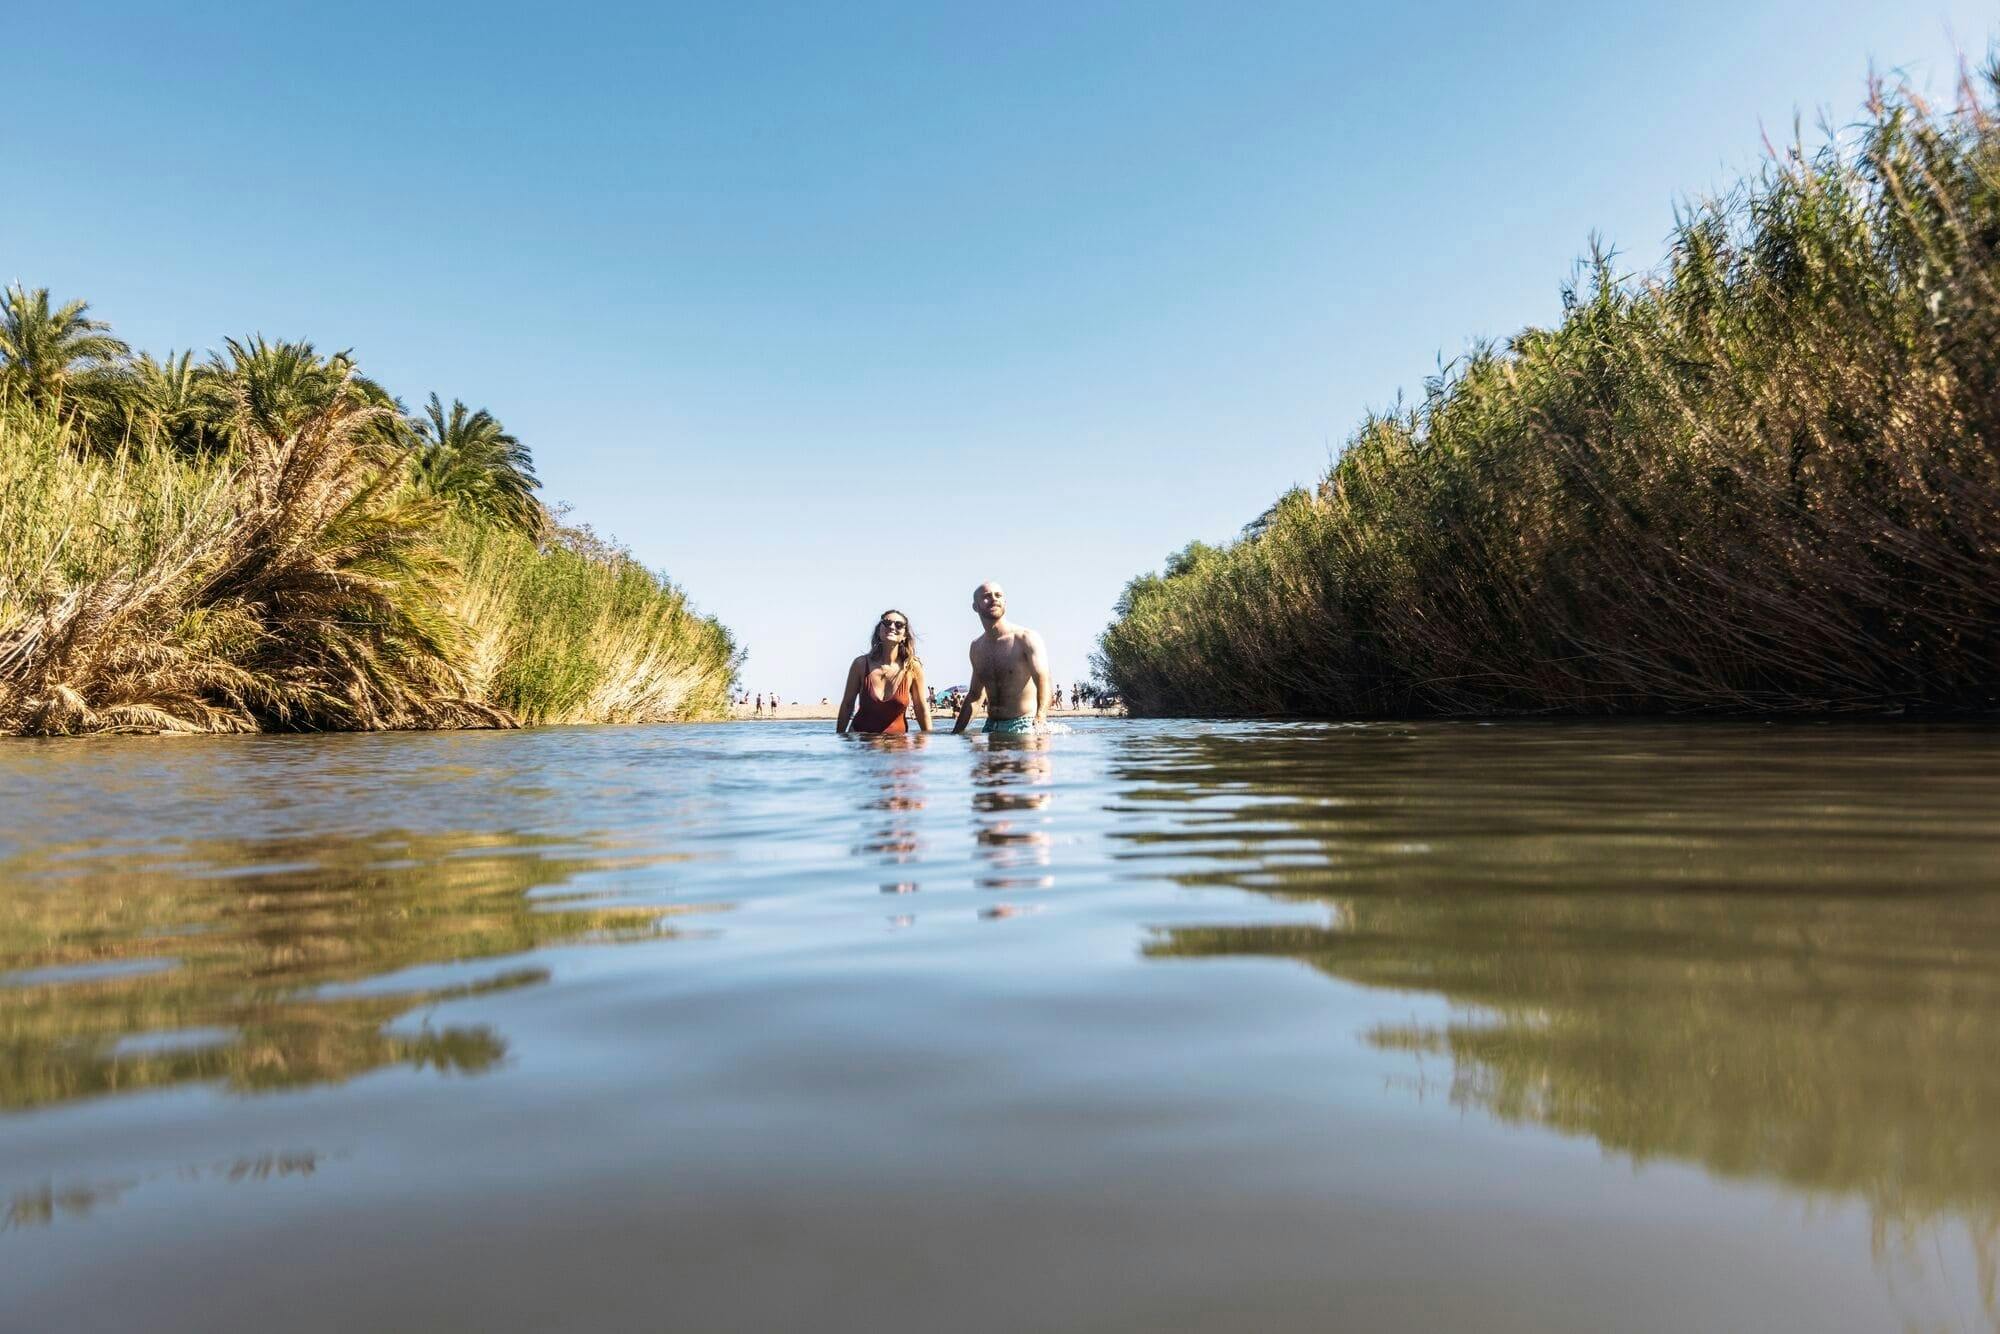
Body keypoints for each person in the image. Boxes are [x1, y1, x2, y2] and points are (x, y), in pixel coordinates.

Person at [953, 582, 1050, 736]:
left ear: (1005, 602)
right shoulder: (977, 647)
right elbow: (975, 696)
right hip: (991, 726)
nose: (993, 599)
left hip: (1023, 725)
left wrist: (1040, 719)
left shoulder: (1026, 638)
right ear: (975, 606)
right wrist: (955, 733)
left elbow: (1043, 680)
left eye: (998, 595)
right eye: (986, 596)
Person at [838, 609, 932, 735]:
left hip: (899, 747)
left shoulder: (912, 667)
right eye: (887, 623)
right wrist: (839, 738)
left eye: (898, 625)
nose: (892, 627)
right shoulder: (860, 664)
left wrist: (929, 741)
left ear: (904, 635)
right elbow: (847, 704)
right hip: (862, 744)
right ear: (879, 631)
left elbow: (921, 708)